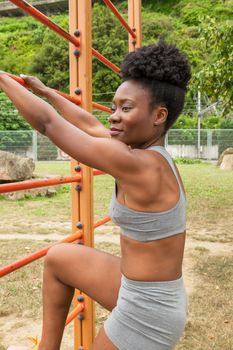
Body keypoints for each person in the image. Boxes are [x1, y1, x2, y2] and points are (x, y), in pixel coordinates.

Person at [1, 40, 191, 350]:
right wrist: (47, 92)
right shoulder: (141, 150)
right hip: (140, 288)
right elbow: (88, 123)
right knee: (60, 258)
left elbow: (49, 125)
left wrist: (1, 79)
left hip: (149, 313)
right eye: (114, 106)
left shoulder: (141, 165)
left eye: (125, 108)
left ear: (159, 116)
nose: (113, 116)